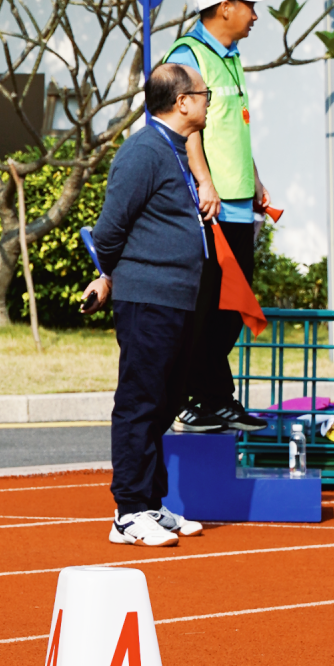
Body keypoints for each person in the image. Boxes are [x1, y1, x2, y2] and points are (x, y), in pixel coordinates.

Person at [84, 62, 212, 548]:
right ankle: (128, 511)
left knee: (164, 401)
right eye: (204, 94)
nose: (207, 101)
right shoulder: (142, 151)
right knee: (140, 402)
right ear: (182, 102)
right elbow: (110, 228)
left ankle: (151, 504)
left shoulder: (173, 149)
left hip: (177, 297)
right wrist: (109, 276)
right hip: (148, 298)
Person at [163, 0, 270, 434]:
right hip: (213, 206)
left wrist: (257, 180)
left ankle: (210, 399)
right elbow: (186, 129)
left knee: (230, 311)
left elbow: (233, 126)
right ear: (225, 6)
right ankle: (203, 398)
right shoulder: (187, 57)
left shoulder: (231, 58)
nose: (255, 16)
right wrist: (204, 182)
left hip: (240, 201)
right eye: (249, 6)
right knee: (215, 310)